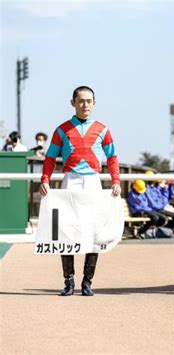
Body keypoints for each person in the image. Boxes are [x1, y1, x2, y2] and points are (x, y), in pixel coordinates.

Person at [39, 86, 121, 297]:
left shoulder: (102, 129)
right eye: (81, 101)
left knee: (94, 231)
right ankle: (68, 282)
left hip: (93, 181)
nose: (85, 105)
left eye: (89, 101)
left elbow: (112, 157)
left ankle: (87, 282)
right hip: (70, 181)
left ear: (94, 103)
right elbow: (49, 157)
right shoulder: (62, 130)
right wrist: (45, 179)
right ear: (73, 103)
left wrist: (116, 181)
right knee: (66, 230)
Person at [143, 171, 174, 236]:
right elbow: (154, 202)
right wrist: (162, 204)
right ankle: (170, 232)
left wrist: (168, 188)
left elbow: (168, 197)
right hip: (159, 208)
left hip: (162, 207)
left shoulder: (155, 188)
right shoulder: (150, 189)